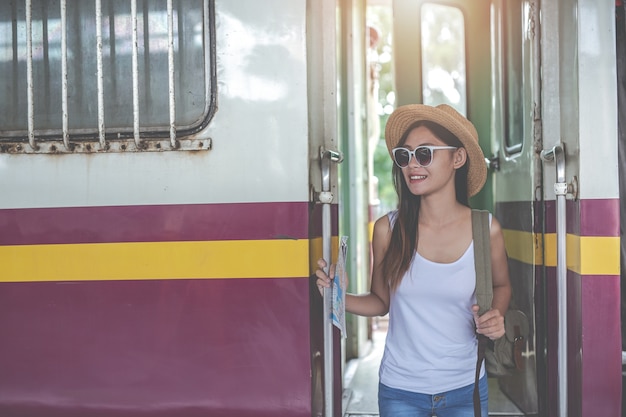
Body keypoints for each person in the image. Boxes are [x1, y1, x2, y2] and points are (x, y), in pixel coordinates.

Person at [315, 104, 511, 417]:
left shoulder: (486, 229)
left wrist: (496, 316)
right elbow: (381, 301)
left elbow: (501, 285)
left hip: (466, 386)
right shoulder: (388, 230)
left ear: (457, 158)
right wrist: (336, 295)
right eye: (404, 156)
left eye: (425, 153)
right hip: (400, 390)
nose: (411, 165)